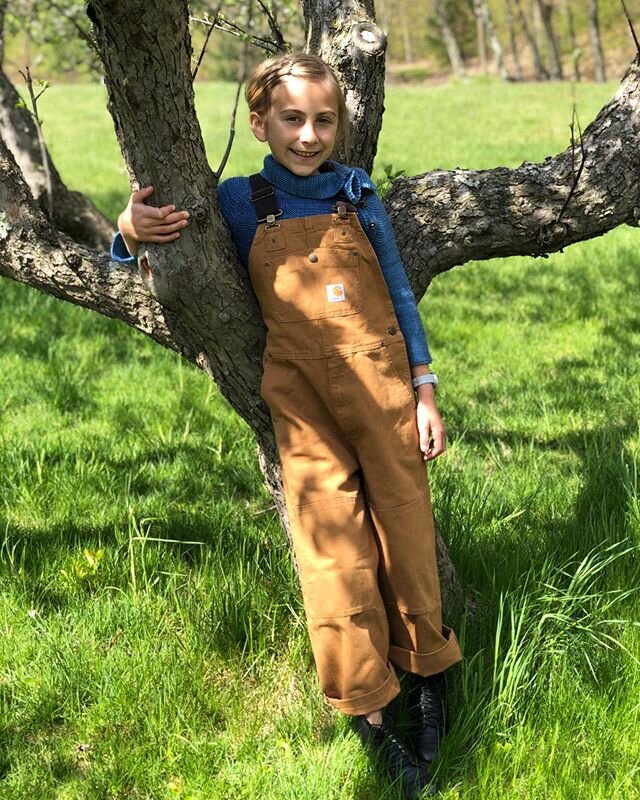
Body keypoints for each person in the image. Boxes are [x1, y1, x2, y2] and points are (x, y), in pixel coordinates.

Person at [112, 52, 462, 799]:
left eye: (323, 120)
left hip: (384, 389)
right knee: (333, 555)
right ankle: (369, 713)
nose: (308, 135)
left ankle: (429, 677)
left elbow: (398, 291)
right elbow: (158, 257)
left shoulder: (358, 192)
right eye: (292, 119)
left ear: (342, 123)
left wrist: (426, 388)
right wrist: (127, 228)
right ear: (259, 120)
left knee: (406, 534)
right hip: (302, 406)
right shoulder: (242, 201)